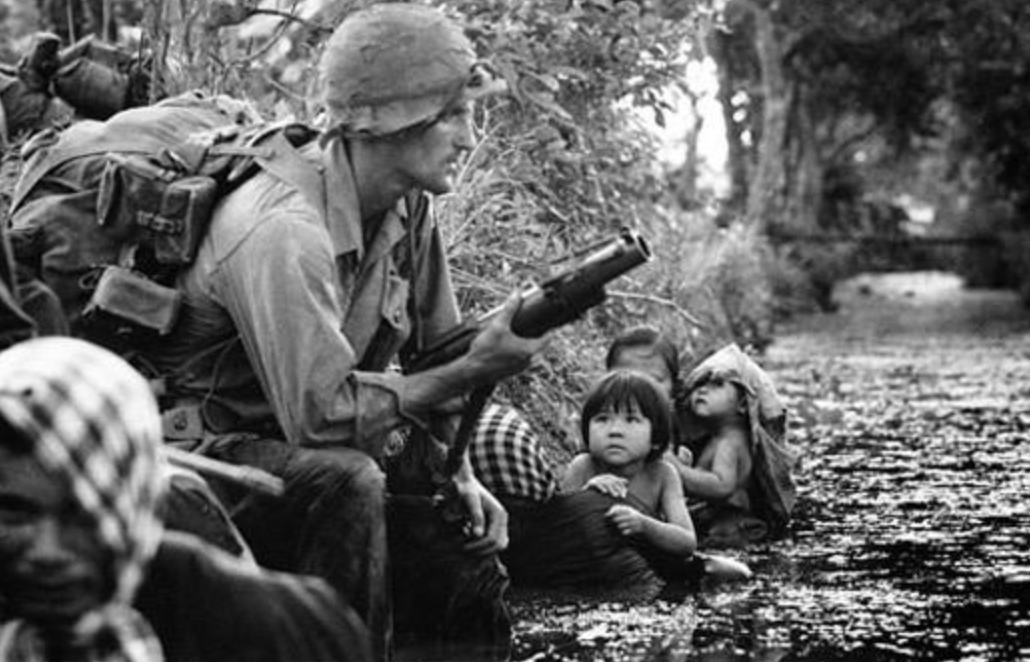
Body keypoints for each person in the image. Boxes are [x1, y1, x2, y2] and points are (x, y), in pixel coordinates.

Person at [128, 3, 547, 658]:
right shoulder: (284, 229)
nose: (468, 138)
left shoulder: (409, 205)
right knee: (348, 479)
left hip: (296, 442)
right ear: (389, 126)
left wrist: (458, 470)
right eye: (454, 117)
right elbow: (320, 419)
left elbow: (438, 352)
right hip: (206, 457)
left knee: (453, 523)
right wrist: (469, 371)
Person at [0, 336, 372, 662]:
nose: (46, 550)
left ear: (135, 502)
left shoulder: (273, 630)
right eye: (14, 511)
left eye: (83, 512)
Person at [672, 343, 798, 548]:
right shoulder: (721, 437)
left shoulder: (729, 443)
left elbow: (721, 486)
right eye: (699, 384)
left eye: (717, 385)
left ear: (742, 404)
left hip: (729, 527)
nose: (703, 390)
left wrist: (679, 470)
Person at [560, 369, 697, 558]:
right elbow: (557, 532)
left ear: (655, 437)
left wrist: (643, 524)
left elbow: (687, 542)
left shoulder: (662, 474)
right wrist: (587, 496)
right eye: (602, 419)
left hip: (646, 565)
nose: (615, 430)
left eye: (631, 420)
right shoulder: (583, 467)